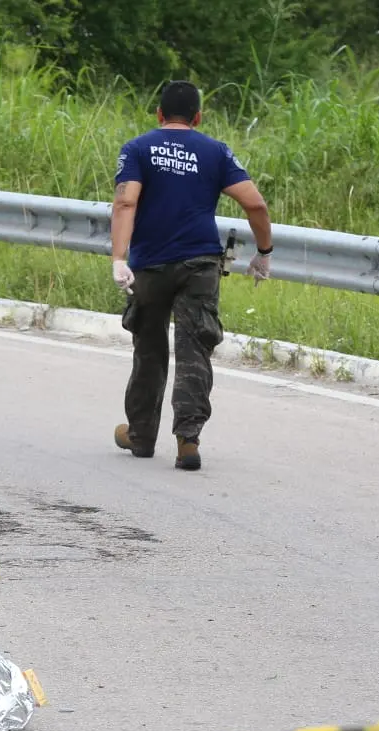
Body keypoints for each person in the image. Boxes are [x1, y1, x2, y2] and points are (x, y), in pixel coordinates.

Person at [110, 80, 273, 471]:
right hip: (200, 264)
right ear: (198, 117)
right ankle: (188, 441)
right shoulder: (215, 151)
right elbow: (255, 203)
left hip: (150, 265)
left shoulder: (138, 148)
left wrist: (119, 257)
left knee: (149, 349)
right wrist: (263, 252)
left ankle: (141, 435)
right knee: (194, 348)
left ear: (159, 114)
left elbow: (126, 200)